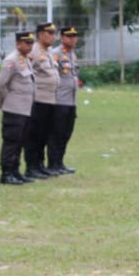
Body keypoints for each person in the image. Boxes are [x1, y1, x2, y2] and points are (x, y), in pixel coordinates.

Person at [0, 29, 37, 185]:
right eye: (27, 43)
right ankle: (6, 173)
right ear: (18, 43)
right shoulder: (11, 60)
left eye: (32, 43)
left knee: (21, 140)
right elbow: (0, 84)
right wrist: (8, 101)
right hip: (14, 108)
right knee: (11, 141)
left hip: (25, 108)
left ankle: (15, 170)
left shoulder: (24, 59)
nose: (30, 46)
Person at [23, 22, 60, 179]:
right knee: (34, 134)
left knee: (45, 134)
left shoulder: (49, 52)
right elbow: (26, 73)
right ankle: (31, 166)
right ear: (40, 34)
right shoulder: (34, 51)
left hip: (50, 99)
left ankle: (40, 164)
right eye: (49, 33)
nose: (53, 36)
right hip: (38, 99)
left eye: (54, 33)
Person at [48, 26, 80, 174]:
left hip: (71, 100)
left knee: (67, 133)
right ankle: (53, 163)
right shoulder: (55, 54)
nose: (73, 39)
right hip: (59, 100)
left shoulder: (73, 54)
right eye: (69, 36)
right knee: (56, 133)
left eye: (74, 36)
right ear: (62, 38)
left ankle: (60, 162)